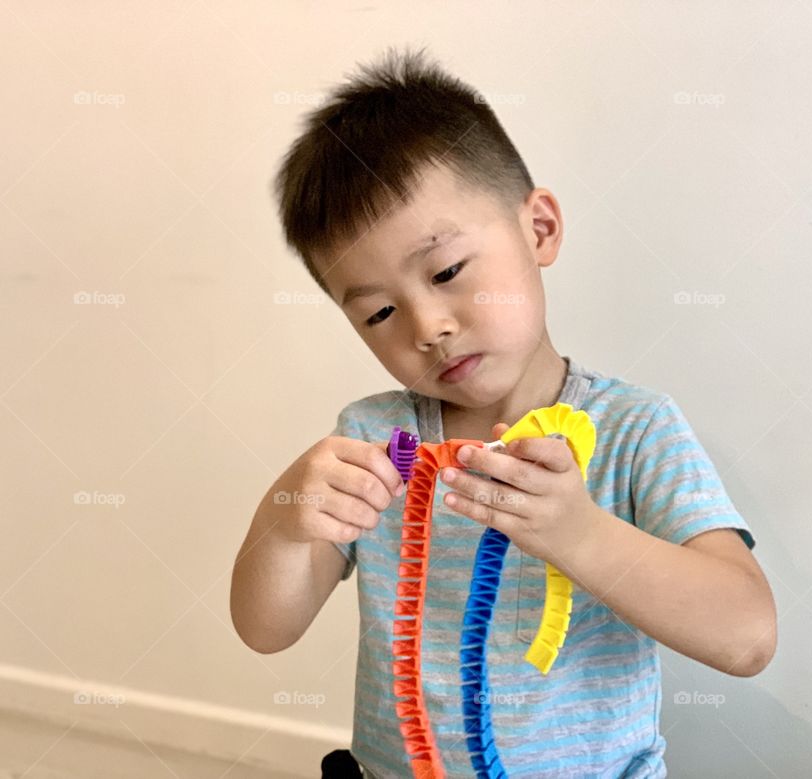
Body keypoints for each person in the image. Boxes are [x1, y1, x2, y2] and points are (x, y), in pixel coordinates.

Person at [230, 45, 777, 778]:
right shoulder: (374, 440)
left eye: (449, 271)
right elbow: (267, 629)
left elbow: (746, 636)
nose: (426, 325)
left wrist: (578, 532)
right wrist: (288, 512)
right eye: (380, 312)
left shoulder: (634, 429)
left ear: (540, 229)